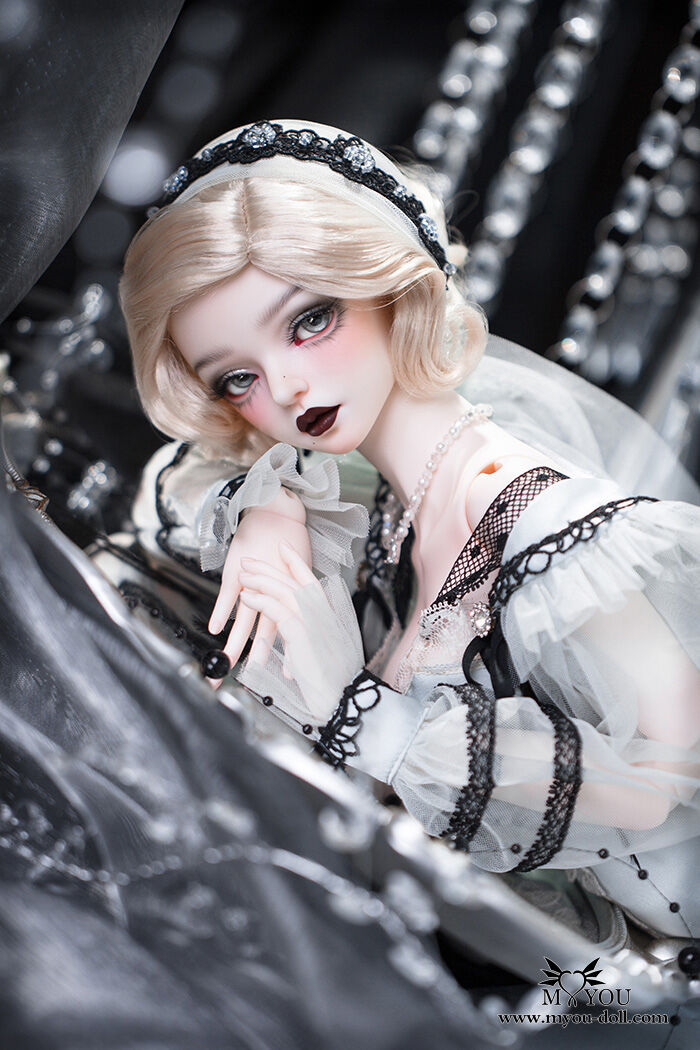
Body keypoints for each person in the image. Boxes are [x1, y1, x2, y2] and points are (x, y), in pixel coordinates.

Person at [119, 119, 700, 951]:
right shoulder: (388, 501)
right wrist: (266, 506)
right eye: (237, 378)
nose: (285, 385)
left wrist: (367, 721)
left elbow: (670, 776)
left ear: (390, 286)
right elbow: (170, 488)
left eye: (310, 321)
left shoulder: (545, 526)